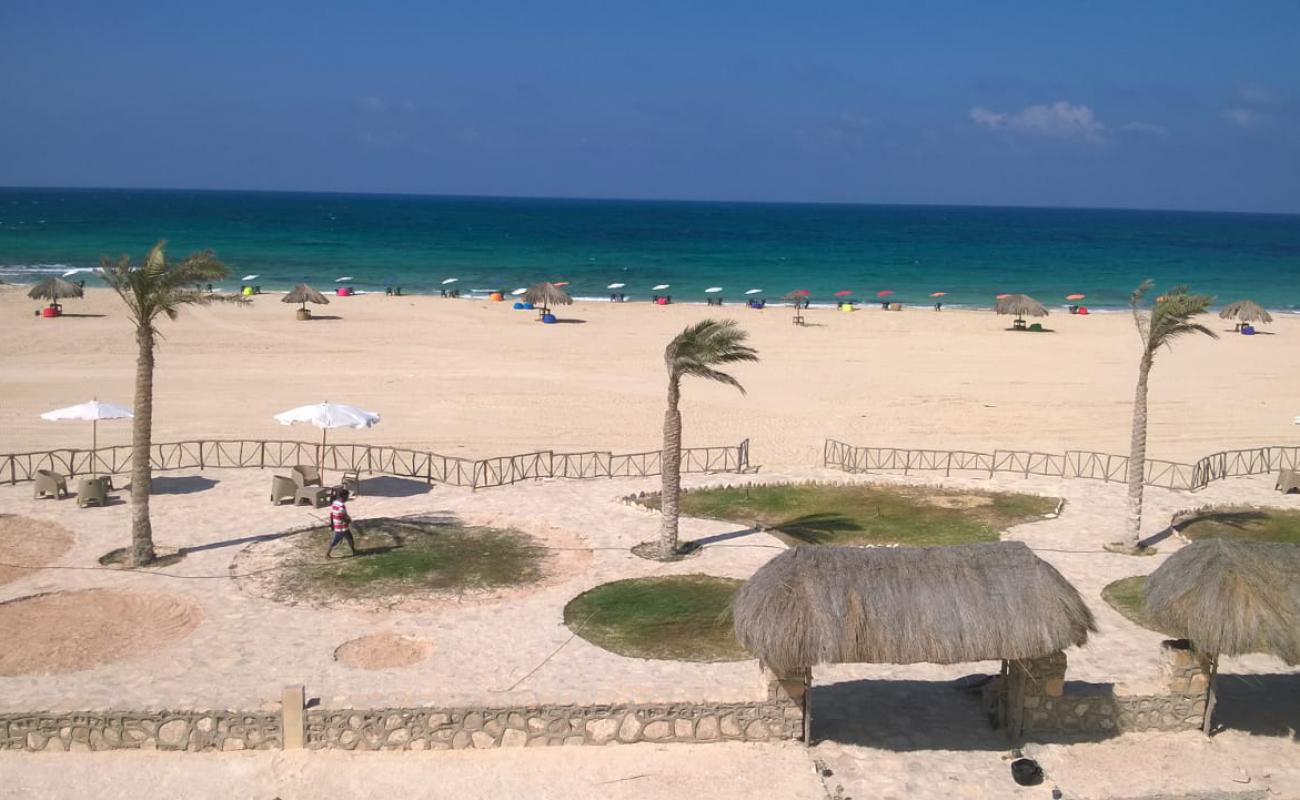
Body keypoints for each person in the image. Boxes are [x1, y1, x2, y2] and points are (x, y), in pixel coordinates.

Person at [326, 488, 356, 557]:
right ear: (344, 496)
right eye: (347, 496)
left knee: (349, 538)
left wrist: (332, 524)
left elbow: (332, 514)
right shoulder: (341, 507)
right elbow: (342, 517)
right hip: (342, 527)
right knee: (337, 541)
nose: (348, 498)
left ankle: (354, 550)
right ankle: (327, 554)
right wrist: (348, 521)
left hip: (337, 525)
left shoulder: (335, 503)